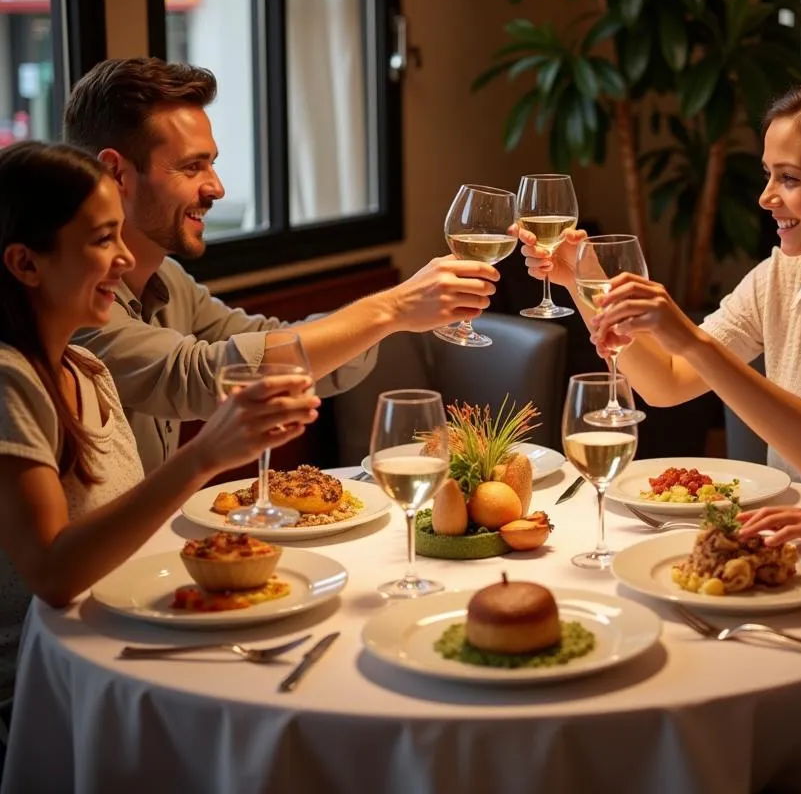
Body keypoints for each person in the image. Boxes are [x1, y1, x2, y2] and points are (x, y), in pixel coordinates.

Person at [522, 73, 801, 515]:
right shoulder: (780, 277)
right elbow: (664, 382)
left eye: (790, 178)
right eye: (768, 175)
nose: (766, 197)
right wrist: (584, 282)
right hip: (779, 548)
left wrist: (693, 340)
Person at [63, 57, 500, 473]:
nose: (215, 187)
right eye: (191, 167)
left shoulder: (169, 280)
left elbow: (270, 342)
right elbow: (198, 375)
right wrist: (393, 308)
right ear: (116, 174)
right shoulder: (71, 301)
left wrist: (393, 318)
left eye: (211, 163)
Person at [0, 141, 320, 698]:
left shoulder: (87, 369)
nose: (125, 259)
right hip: (47, 685)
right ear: (26, 262)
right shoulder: (10, 381)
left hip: (123, 647)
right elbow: (51, 575)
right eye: (103, 239)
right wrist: (204, 456)